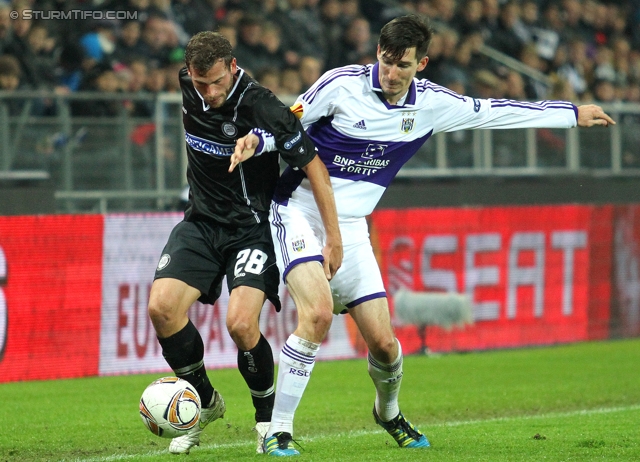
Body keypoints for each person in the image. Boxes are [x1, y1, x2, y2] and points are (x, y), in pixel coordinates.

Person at [230, 14, 616, 456]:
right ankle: (277, 431)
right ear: (377, 52)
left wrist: (571, 113)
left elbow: (491, 112)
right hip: (298, 210)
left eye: (404, 65)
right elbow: (287, 122)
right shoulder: (340, 85)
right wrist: (255, 141)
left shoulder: (432, 104)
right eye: (387, 62)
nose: (392, 74)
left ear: (423, 63)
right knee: (316, 315)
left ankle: (388, 413)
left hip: (352, 228)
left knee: (387, 347)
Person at [146, 31, 342, 455]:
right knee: (161, 309)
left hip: (251, 228)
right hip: (200, 222)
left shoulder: (263, 107)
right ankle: (204, 402)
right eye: (201, 84)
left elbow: (316, 169)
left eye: (217, 81)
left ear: (233, 67)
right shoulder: (187, 82)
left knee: (240, 324)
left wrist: (333, 238)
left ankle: (265, 421)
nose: (210, 92)